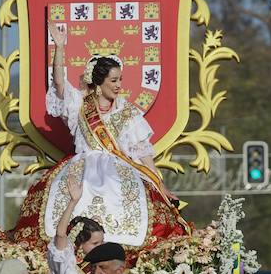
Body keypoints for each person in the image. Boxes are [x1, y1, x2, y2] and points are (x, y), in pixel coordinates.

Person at [33, 21, 187, 249]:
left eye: (120, 80)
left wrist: (159, 184)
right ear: (99, 82)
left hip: (120, 173)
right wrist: (60, 47)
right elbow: (58, 82)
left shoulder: (127, 111)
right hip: (82, 169)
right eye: (113, 81)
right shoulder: (79, 107)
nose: (118, 86)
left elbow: (144, 155)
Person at [47, 175, 106, 274]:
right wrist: (73, 201)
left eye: (102, 242)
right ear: (80, 244)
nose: (101, 247)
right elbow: (61, 234)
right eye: (95, 243)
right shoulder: (67, 264)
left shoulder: (104, 265)